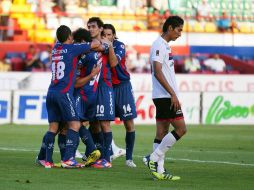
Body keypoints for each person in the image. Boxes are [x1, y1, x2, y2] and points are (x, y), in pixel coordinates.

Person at [36, 25, 101, 168]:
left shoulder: (55, 49)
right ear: (70, 37)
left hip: (51, 92)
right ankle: (68, 159)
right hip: (64, 93)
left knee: (53, 127)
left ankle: (46, 160)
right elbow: (96, 44)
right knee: (75, 124)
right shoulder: (72, 49)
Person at [143, 16, 187, 180]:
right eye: (179, 29)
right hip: (165, 96)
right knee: (181, 129)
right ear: (170, 28)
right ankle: (152, 158)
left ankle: (159, 172)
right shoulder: (159, 45)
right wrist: (172, 94)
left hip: (162, 95)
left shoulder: (164, 46)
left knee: (161, 132)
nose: (180, 34)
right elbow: (157, 70)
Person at [103, 23, 137, 167]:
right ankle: (110, 153)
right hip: (108, 87)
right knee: (102, 123)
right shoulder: (98, 47)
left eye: (109, 34)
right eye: (103, 35)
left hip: (122, 86)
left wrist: (108, 45)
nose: (106, 37)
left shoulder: (119, 46)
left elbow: (113, 62)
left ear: (114, 35)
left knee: (129, 124)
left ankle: (129, 158)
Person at [86, 17, 117, 168]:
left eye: (93, 26)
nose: (90, 29)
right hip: (91, 87)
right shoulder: (90, 44)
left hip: (104, 86)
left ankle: (107, 158)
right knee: (93, 123)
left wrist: (109, 46)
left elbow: (113, 63)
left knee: (104, 123)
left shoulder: (106, 43)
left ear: (100, 29)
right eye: (88, 27)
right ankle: (97, 154)